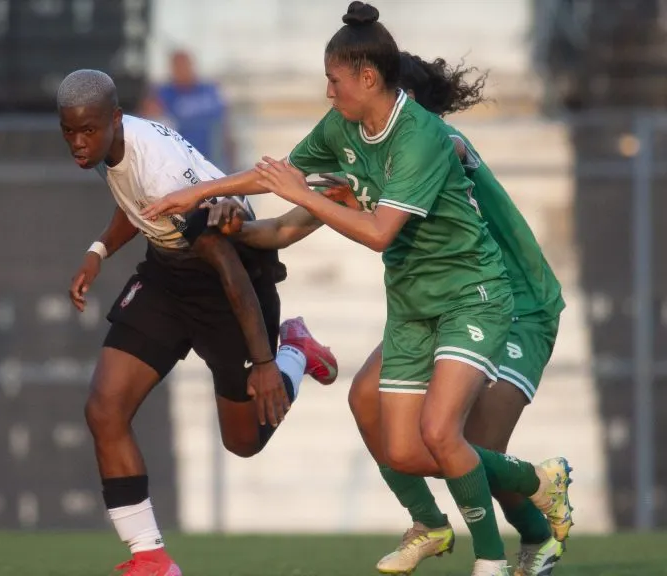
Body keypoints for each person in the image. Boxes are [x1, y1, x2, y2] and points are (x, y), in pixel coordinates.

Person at [139, 3, 573, 575]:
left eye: (336, 83)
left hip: (512, 301)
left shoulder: (434, 143)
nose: (330, 96)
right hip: (425, 303)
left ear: (383, 90)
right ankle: (432, 523)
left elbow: (369, 225)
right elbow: (287, 219)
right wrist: (219, 216)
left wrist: (297, 194)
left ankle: (536, 525)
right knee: (372, 404)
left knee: (462, 442)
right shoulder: (361, 148)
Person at [57, 68, 338, 576]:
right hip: (169, 276)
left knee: (243, 442)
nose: (78, 142)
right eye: (69, 131)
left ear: (114, 119)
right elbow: (135, 204)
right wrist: (98, 251)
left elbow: (227, 265)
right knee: (104, 408)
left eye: (87, 131)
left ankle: (295, 349)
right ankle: (151, 558)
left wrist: (265, 363)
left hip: (230, 283)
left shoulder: (158, 167)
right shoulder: (107, 145)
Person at [139, 50, 237, 171]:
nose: (182, 70)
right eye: (177, 66)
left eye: (185, 65)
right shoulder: (162, 93)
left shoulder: (210, 90)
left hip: (212, 162)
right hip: (181, 165)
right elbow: (147, 128)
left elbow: (225, 128)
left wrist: (232, 163)